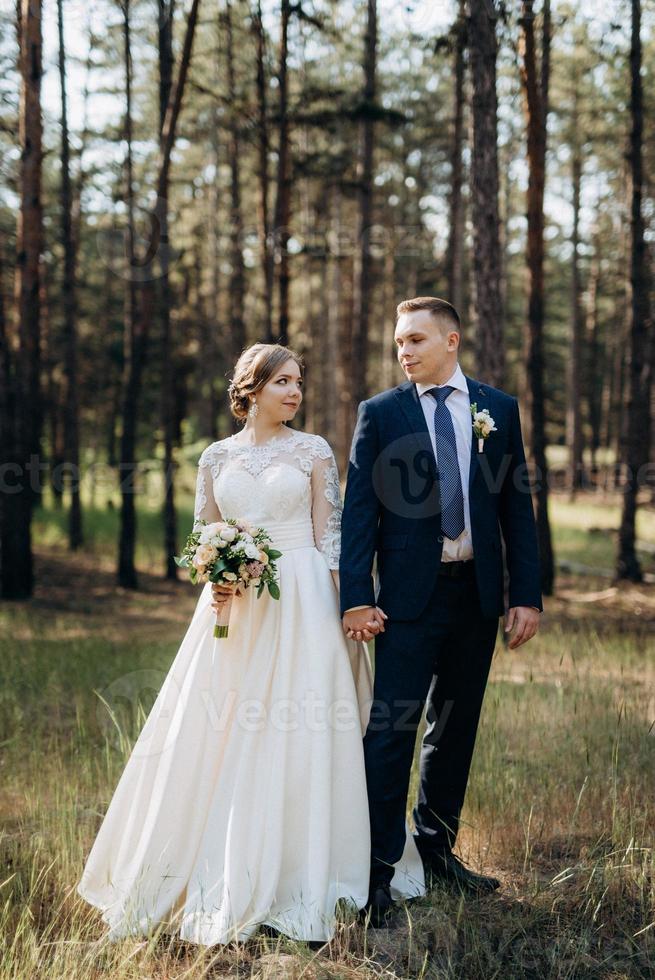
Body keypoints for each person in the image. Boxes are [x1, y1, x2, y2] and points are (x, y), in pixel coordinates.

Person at [77, 343, 422, 947]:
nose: (295, 392)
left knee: (303, 726)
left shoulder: (314, 451)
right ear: (252, 388)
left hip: (306, 599)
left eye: (299, 382)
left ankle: (307, 867)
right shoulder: (215, 457)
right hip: (235, 608)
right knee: (221, 728)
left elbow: (331, 538)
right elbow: (201, 536)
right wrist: (218, 572)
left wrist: (349, 611)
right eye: (283, 382)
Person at [339, 297, 543, 926]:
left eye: (417, 340)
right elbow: (359, 515)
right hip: (403, 602)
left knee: (454, 729)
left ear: (451, 342)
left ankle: (437, 852)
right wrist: (356, 597)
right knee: (392, 731)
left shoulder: (496, 410)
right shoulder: (380, 413)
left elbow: (517, 508)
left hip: (476, 597)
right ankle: (377, 872)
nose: (405, 352)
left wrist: (525, 595)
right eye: (400, 342)